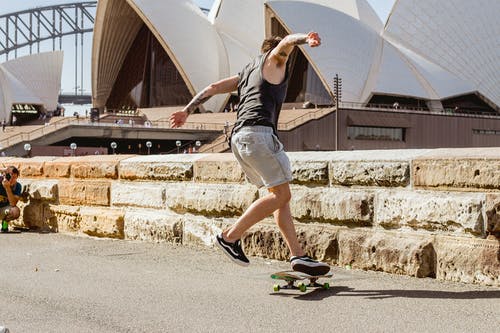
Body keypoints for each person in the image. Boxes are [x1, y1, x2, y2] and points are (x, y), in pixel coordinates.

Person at [170, 32, 330, 276]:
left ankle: (298, 256)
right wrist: (306, 39)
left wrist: (187, 110)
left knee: (278, 196)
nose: (286, 60)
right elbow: (287, 41)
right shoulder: (276, 60)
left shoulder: (246, 72)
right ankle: (230, 237)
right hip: (258, 135)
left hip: (239, 138)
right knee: (282, 194)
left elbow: (212, 88)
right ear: (275, 53)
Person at [0, 166, 22, 232]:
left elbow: (13, 204)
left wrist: (7, 188)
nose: (12, 180)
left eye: (14, 177)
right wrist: (2, 170)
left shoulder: (17, 186)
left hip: (4, 209)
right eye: (10, 177)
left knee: (15, 211)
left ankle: (4, 225)